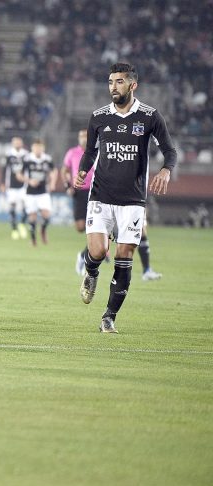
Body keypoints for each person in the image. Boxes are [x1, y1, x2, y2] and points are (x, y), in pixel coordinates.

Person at [76, 62, 177, 333]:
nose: (113, 87)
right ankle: (91, 272)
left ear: (133, 85)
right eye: (110, 82)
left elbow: (170, 150)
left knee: (124, 255)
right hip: (100, 195)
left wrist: (166, 170)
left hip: (132, 200)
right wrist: (83, 170)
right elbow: (90, 151)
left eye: (119, 82)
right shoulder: (99, 117)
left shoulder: (150, 116)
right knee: (98, 251)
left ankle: (109, 317)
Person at [61, 129, 94, 274]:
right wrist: (67, 186)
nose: (84, 139)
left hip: (95, 191)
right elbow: (64, 170)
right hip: (79, 191)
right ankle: (88, 251)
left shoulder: (96, 151)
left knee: (95, 228)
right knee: (80, 227)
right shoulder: (72, 152)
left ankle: (91, 250)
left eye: (86, 136)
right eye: (81, 136)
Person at [22, 139, 57, 246]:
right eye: (36, 147)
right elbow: (19, 174)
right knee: (32, 217)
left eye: (40, 148)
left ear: (43, 148)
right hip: (30, 192)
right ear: (32, 148)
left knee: (46, 216)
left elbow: (54, 171)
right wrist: (29, 181)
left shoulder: (47, 159)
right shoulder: (27, 159)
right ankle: (33, 240)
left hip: (43, 192)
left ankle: (42, 230)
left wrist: (52, 183)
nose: (38, 150)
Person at [0, 136, 28, 240]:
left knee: (27, 206)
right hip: (11, 185)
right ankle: (14, 229)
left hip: (24, 185)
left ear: (22, 143)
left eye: (19, 142)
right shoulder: (8, 155)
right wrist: (2, 183)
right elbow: (4, 170)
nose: (17, 144)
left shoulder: (26, 155)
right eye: (15, 142)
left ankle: (22, 224)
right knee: (12, 207)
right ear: (12, 144)